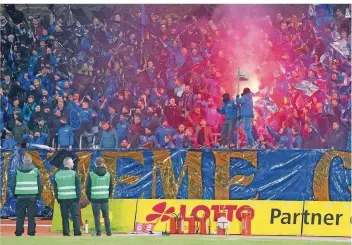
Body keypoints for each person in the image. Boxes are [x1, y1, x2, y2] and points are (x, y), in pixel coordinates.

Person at [11, 153, 43, 236]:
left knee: (20, 216)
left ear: (23, 160)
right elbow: (40, 185)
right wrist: (38, 195)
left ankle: (18, 232)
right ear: (31, 161)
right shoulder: (36, 170)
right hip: (32, 197)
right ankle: (31, 232)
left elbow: (12, 184)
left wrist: (15, 194)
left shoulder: (17, 170)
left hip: (20, 196)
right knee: (31, 216)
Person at [53, 157, 81, 236]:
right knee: (75, 216)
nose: (73, 164)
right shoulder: (74, 174)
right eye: (72, 163)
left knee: (64, 217)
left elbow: (55, 189)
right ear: (69, 164)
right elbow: (78, 188)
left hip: (62, 199)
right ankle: (77, 232)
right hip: (73, 198)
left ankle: (66, 232)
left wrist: (58, 199)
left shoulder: (57, 174)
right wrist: (78, 199)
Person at [85, 157, 113, 236]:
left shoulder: (91, 174)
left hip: (95, 199)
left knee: (96, 217)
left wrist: (89, 197)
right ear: (103, 163)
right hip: (104, 199)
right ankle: (109, 232)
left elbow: (87, 188)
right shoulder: (108, 174)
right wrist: (108, 196)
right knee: (106, 216)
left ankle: (98, 233)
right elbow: (111, 187)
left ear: (95, 164)